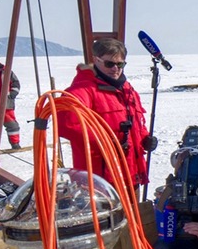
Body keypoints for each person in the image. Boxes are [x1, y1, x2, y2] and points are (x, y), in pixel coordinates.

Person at [59, 38, 155, 190]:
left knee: (133, 212)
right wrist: (106, 139)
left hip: (130, 174)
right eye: (109, 64)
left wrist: (144, 138)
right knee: (107, 214)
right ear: (96, 60)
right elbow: (67, 125)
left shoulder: (127, 90)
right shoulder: (81, 90)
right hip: (101, 178)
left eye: (120, 64)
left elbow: (136, 122)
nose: (115, 69)